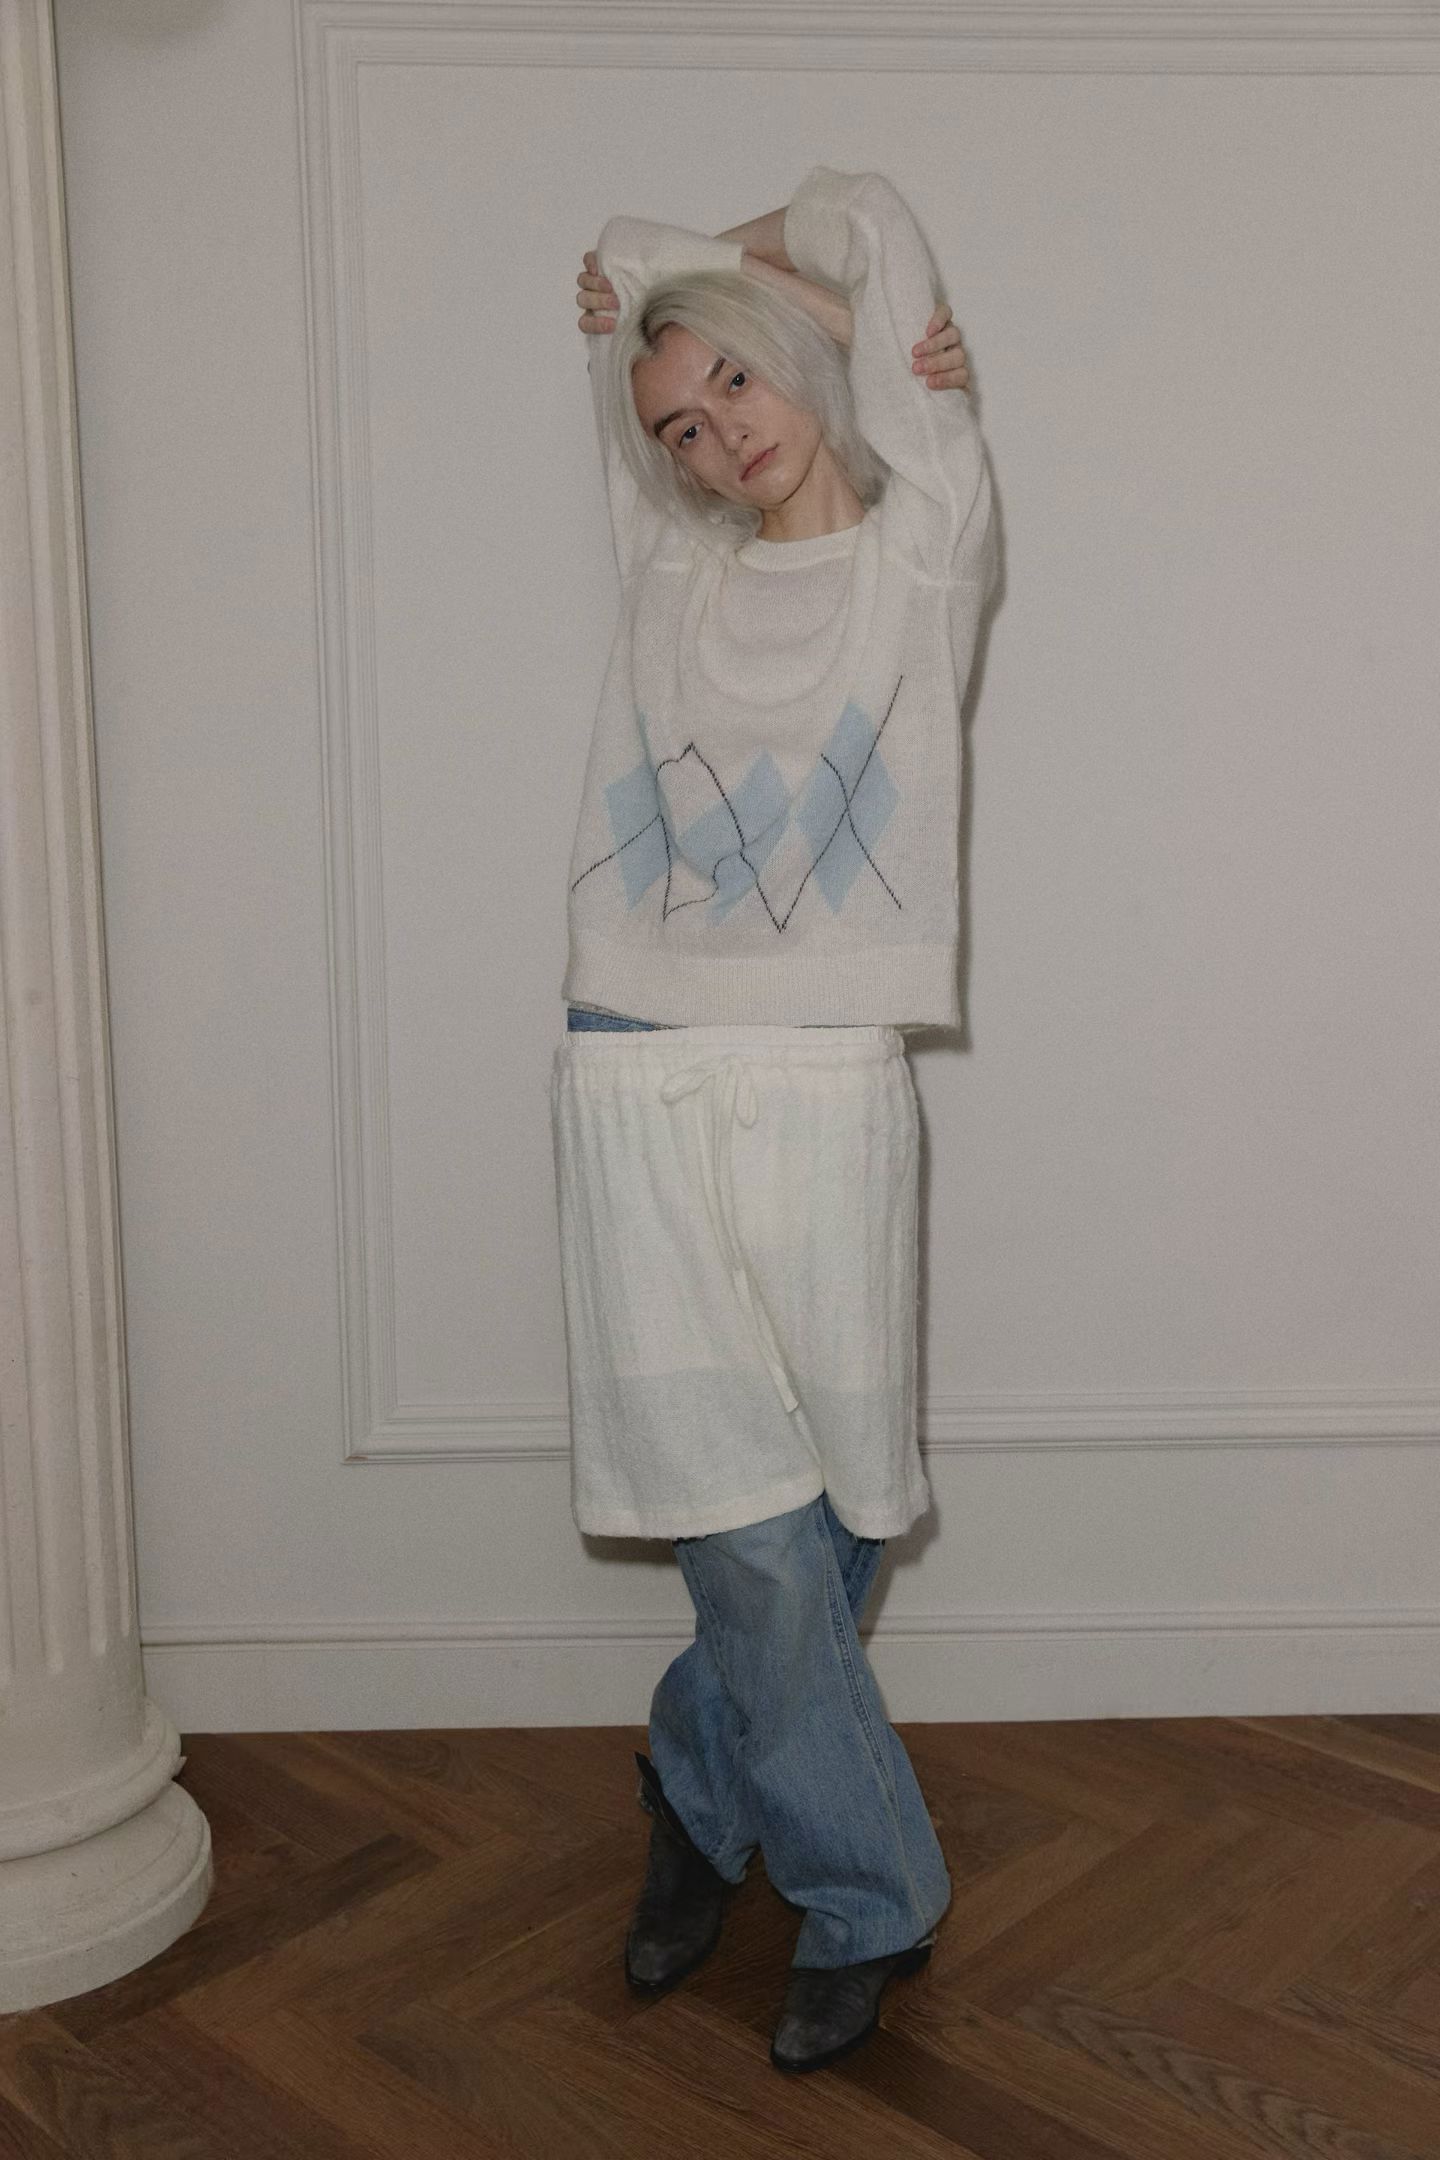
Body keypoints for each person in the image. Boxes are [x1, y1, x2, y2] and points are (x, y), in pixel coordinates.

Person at [549, 166, 998, 2075]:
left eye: (731, 387)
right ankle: (865, 1897)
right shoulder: (670, 567)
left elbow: (866, 219)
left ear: (799, 364)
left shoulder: (925, 550)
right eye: (673, 426)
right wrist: (669, 314)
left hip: (826, 1069)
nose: (713, 439)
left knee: (842, 1510)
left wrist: (746, 286)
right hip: (634, 1056)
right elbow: (618, 280)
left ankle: (693, 1772)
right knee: (741, 1528)